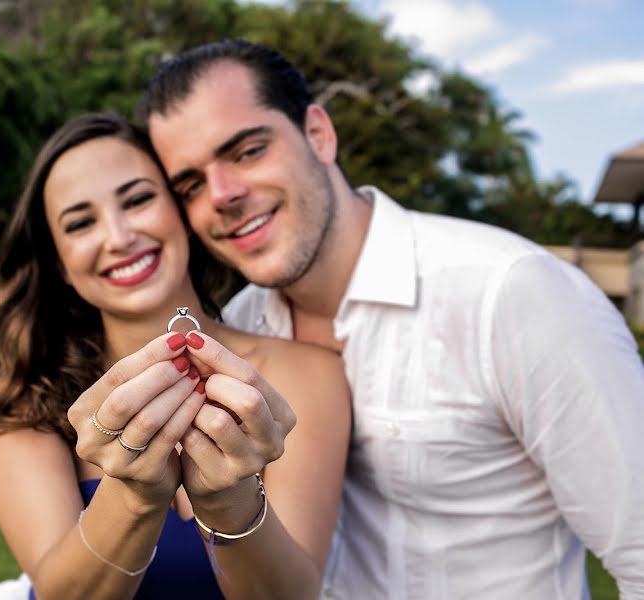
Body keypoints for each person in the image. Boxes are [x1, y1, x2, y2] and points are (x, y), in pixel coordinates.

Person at [138, 39, 644, 599]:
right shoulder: (239, 329)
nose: (223, 195)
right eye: (191, 184)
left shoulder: (510, 293)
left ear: (319, 135)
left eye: (248, 151)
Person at [0, 112, 351, 600]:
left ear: (181, 210)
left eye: (138, 200)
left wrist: (230, 502)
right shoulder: (22, 395)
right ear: (59, 261)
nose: (118, 238)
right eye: (80, 223)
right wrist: (134, 494)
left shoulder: (306, 374)